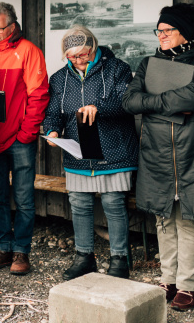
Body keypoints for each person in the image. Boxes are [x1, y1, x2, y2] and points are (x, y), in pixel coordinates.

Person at [43, 25, 137, 281]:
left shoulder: (117, 69)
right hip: (78, 151)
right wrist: (51, 131)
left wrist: (100, 108)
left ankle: (120, 259)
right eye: (72, 57)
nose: (78, 61)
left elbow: (126, 104)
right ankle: (84, 257)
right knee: (80, 204)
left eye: (82, 55)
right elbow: (53, 112)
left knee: (113, 203)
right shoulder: (59, 78)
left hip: (114, 149)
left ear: (93, 48)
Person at [122, 3, 194, 311]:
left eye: (168, 30)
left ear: (186, 33)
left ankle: (189, 285)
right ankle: (168, 279)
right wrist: (168, 104)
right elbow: (130, 101)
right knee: (164, 219)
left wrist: (151, 103)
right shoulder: (148, 63)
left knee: (189, 219)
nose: (161, 35)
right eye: (159, 30)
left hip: (191, 153)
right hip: (156, 153)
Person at [0, 2, 49, 275]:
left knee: (25, 198)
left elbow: (38, 94)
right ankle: (3, 249)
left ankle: (22, 252)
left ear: (12, 26)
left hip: (19, 138)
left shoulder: (29, 51)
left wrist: (28, 132)